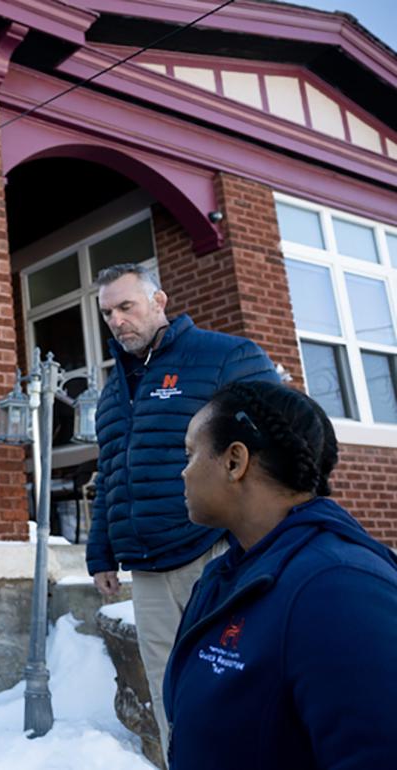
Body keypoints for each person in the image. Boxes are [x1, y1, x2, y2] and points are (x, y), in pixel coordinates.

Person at [85, 263, 280, 757]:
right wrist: (101, 551)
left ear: (159, 301)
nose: (116, 320)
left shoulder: (223, 356)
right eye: (107, 312)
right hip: (148, 567)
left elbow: (282, 439)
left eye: (126, 306)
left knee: (231, 684)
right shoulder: (112, 393)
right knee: (168, 693)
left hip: (213, 552)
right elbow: (111, 473)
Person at [165, 381, 397, 769]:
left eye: (190, 453)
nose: (183, 472)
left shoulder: (338, 588)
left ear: (234, 461)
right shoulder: (226, 574)